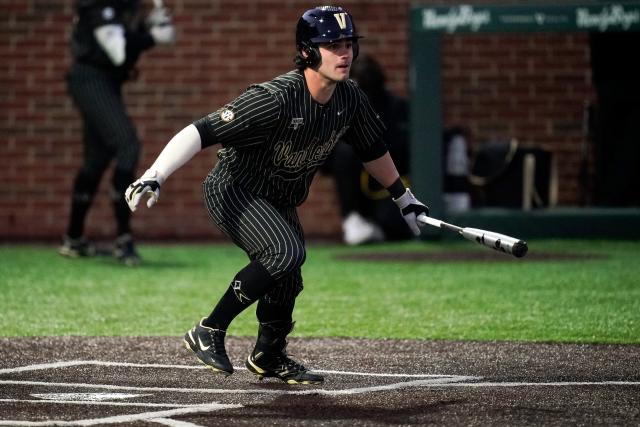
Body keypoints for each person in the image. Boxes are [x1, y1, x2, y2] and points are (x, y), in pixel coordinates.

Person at [125, 5, 429, 384]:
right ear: (307, 52)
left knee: (287, 275)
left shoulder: (350, 98)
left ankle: (269, 355)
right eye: (332, 44)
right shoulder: (275, 98)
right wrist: (155, 175)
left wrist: (403, 199)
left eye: (348, 43)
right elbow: (199, 131)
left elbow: (373, 150)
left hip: (279, 198)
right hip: (234, 189)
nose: (345, 52)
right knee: (285, 252)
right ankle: (210, 328)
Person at [58, 0, 176, 265]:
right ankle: (123, 238)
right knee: (127, 145)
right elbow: (119, 52)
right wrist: (151, 36)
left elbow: (158, 38)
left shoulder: (122, 8)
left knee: (97, 159)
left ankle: (74, 239)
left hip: (106, 83)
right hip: (90, 80)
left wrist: (152, 25)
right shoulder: (99, 7)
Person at [323, 54, 413, 245]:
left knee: (395, 222)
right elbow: (326, 164)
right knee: (345, 152)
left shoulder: (397, 108)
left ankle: (378, 229)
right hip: (358, 189)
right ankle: (353, 220)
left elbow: (403, 156)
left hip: (390, 188)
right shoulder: (339, 109)